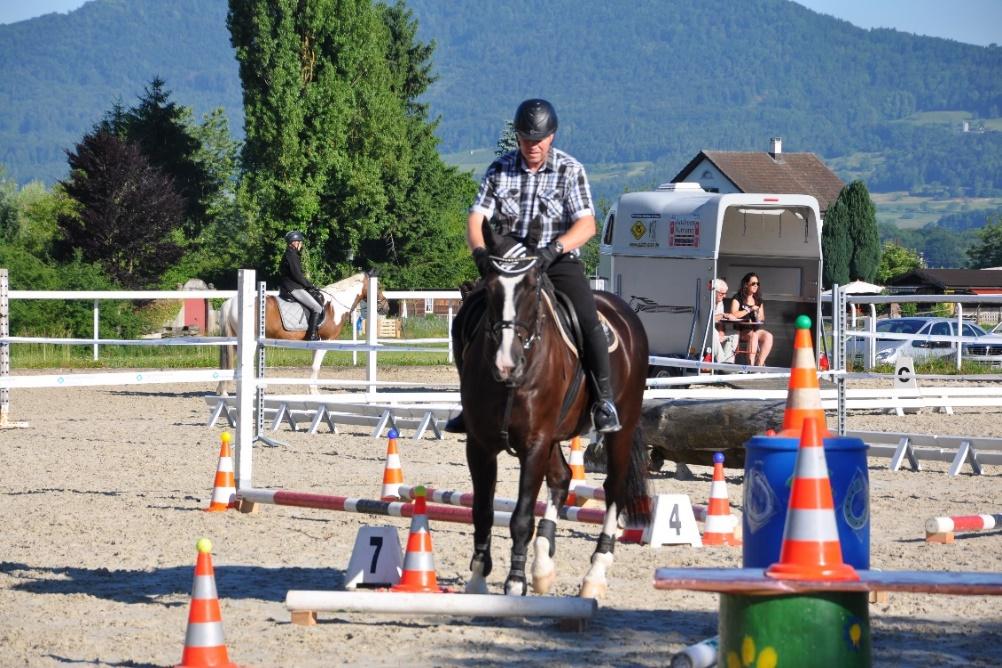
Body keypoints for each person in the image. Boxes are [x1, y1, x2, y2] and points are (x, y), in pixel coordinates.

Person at [445, 98, 621, 434]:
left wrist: (554, 249)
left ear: (551, 136)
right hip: (508, 262)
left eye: (537, 140)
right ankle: (470, 401)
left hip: (556, 261)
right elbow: (476, 217)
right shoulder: (499, 170)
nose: (531, 146)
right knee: (466, 319)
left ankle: (603, 401)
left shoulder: (571, 170)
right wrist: (480, 253)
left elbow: (587, 225)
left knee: (586, 320)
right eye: (525, 139)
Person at [279, 230, 324, 341]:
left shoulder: (289, 254)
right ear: (294, 242)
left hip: (290, 286)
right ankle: (311, 335)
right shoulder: (292, 255)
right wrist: (310, 285)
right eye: (300, 242)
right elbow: (297, 275)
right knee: (317, 307)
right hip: (293, 288)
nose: (301, 245)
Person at [728, 272, 774, 366]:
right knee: (754, 336)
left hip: (754, 329)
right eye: (753, 283)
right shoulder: (738, 298)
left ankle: (759, 364)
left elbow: (762, 318)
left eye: (758, 284)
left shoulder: (758, 300)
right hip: (741, 330)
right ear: (746, 284)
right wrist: (749, 309)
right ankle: (750, 366)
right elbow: (733, 314)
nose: (756, 286)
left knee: (768, 336)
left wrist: (757, 314)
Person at [712, 278, 738, 363]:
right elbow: (709, 319)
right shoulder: (706, 300)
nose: (725, 296)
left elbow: (720, 322)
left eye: (725, 293)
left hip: (715, 333)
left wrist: (721, 334)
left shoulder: (720, 302)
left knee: (735, 336)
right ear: (714, 292)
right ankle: (721, 362)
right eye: (722, 294)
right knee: (714, 333)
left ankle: (728, 363)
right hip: (706, 332)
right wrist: (723, 315)